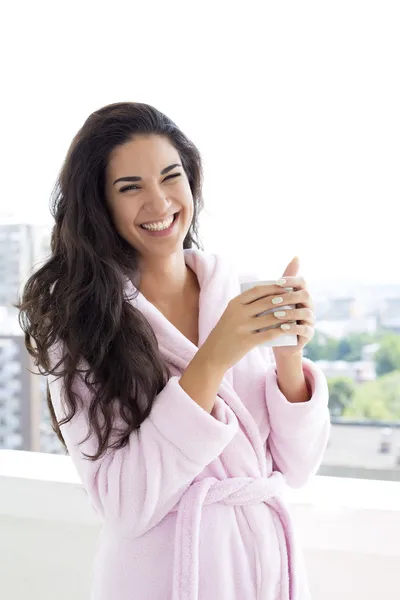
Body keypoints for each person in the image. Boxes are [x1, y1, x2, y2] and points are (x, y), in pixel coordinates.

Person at [16, 102, 330, 600]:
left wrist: (288, 356)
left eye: (170, 176)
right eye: (130, 187)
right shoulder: (82, 327)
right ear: (100, 204)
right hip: (164, 576)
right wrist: (213, 359)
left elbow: (297, 468)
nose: (159, 202)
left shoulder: (232, 296)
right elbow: (124, 504)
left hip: (262, 569)